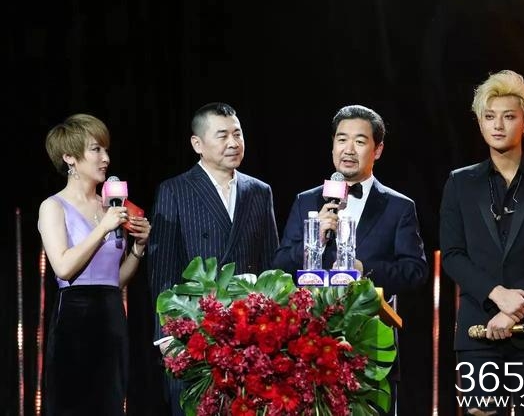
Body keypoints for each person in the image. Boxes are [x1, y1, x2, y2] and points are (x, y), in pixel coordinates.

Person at [272, 104, 429, 415]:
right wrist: (315, 239)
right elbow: (280, 266)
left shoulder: (399, 207)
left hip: (370, 349)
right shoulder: (307, 201)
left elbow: (415, 271)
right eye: (342, 139)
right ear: (332, 145)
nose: (348, 149)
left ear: (377, 149)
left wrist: (364, 270)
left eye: (360, 141)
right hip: (308, 349)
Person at [439, 70, 524, 415]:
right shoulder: (459, 183)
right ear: (480, 123)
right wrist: (496, 294)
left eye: (509, 117)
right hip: (478, 329)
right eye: (489, 116)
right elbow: (453, 255)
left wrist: (514, 306)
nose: (498, 125)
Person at [147, 102, 279, 415]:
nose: (233, 143)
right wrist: (166, 336)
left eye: (237, 134)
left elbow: (270, 266)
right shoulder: (175, 190)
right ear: (198, 144)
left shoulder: (259, 191)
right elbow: (162, 270)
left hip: (250, 337)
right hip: (195, 333)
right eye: (222, 135)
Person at [38, 113, 151, 416]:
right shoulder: (53, 206)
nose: (105, 159)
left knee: (110, 403)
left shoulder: (110, 206)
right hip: (75, 317)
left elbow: (116, 279)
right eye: (96, 150)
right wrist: (102, 229)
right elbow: (63, 268)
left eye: (106, 150)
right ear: (69, 157)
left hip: (111, 316)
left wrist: (139, 247)